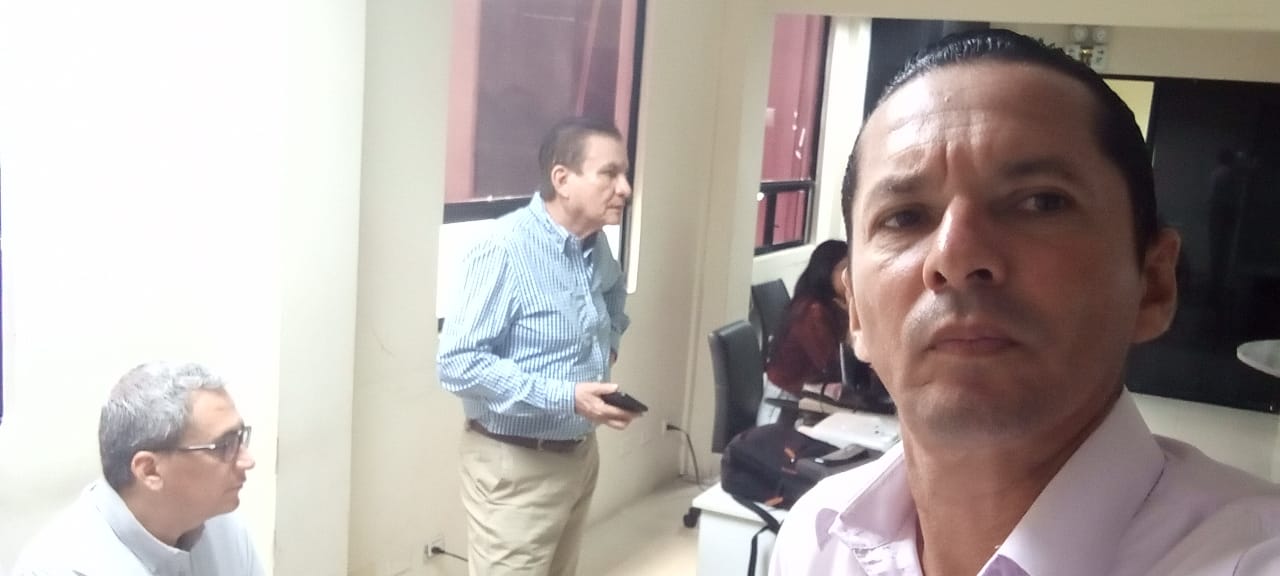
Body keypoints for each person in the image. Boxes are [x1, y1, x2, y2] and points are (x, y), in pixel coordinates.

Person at [771, 29, 1280, 576]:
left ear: (1153, 283)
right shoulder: (815, 542)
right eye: (905, 217)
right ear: (854, 310)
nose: (956, 255)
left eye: (1041, 202)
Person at [437, 116, 639, 575]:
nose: (625, 188)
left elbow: (614, 291)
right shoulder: (502, 249)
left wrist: (607, 345)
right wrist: (567, 396)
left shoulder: (594, 246)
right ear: (562, 180)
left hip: (579, 455)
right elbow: (457, 363)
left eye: (625, 173)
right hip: (516, 466)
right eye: (609, 173)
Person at [13, 362, 263, 575]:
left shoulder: (222, 528)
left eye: (240, 438)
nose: (247, 460)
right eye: (224, 446)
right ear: (149, 471)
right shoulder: (56, 567)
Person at [758, 239, 850, 424]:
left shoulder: (831, 303)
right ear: (825, 271)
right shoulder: (812, 311)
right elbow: (836, 367)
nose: (851, 278)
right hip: (786, 408)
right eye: (845, 269)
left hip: (809, 398)